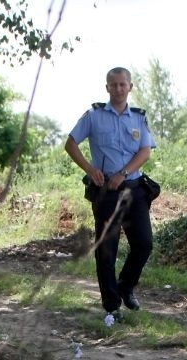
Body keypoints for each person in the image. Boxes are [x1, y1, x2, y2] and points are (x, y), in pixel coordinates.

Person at [65, 67, 156, 317]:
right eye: (113, 85)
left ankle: (125, 287)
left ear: (130, 87)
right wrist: (90, 168)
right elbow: (71, 143)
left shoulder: (138, 118)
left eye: (122, 85)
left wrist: (123, 173)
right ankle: (112, 306)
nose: (118, 89)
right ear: (107, 87)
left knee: (144, 244)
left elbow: (145, 151)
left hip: (134, 189)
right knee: (107, 249)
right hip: (106, 192)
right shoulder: (94, 115)